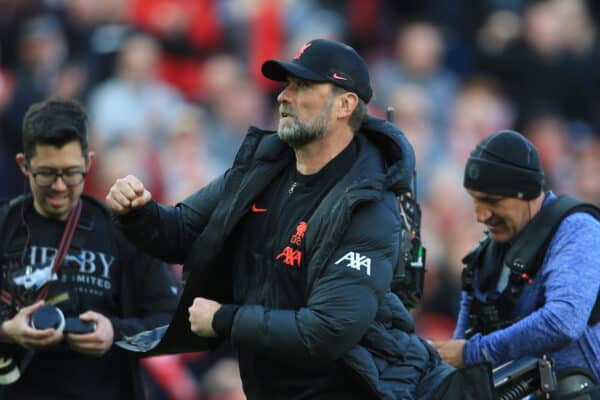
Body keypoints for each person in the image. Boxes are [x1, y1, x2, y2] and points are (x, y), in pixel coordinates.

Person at [105, 39, 496, 400]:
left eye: (303, 87)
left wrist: (226, 319)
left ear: (345, 105)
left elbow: (328, 331)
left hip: (367, 389)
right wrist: (138, 213)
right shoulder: (261, 170)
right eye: (286, 84)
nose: (283, 96)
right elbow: (181, 233)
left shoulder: (369, 207)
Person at [0, 98, 178, 399]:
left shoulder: (125, 232)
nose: (58, 186)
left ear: (88, 163)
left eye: (71, 173)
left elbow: (173, 323)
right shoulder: (3, 225)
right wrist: (6, 331)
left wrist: (115, 332)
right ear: (23, 165)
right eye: (45, 173)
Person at [432, 130, 600, 392]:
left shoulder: (577, 230)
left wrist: (474, 353)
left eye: (492, 201)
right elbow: (460, 347)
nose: (480, 215)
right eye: (475, 200)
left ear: (527, 192)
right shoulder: (485, 255)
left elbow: (564, 321)